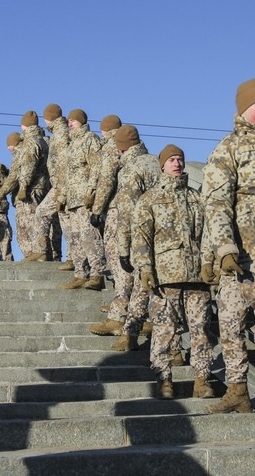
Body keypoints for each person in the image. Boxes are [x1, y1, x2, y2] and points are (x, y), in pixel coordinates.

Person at [202, 79, 255, 414]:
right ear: (243, 110)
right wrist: (223, 248)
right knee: (230, 324)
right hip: (237, 257)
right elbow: (216, 203)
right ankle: (237, 390)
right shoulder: (228, 149)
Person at [131, 144, 215, 400]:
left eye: (180, 159)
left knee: (201, 330)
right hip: (165, 277)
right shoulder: (149, 199)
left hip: (196, 278)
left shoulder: (196, 197)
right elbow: (141, 237)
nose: (177, 164)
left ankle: (202, 379)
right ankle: (164, 380)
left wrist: (209, 261)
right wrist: (145, 267)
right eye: (172, 160)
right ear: (162, 165)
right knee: (164, 331)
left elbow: (208, 234)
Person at [109, 125, 161, 351]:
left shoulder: (130, 170)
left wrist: (122, 250)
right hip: (167, 236)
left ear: (121, 150)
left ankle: (129, 336)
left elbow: (126, 214)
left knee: (141, 286)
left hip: (143, 238)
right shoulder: (158, 161)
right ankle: (173, 346)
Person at [89, 114, 133, 336]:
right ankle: (122, 304)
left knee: (117, 261)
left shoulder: (112, 147)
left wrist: (97, 209)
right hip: (133, 210)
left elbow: (106, 179)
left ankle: (119, 314)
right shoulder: (136, 150)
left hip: (117, 210)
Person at [59, 109, 106, 290]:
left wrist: (91, 192)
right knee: (75, 238)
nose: (70, 123)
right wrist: (63, 196)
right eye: (69, 121)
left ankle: (97, 273)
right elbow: (68, 175)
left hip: (85, 200)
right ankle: (80, 274)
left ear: (82, 121)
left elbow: (96, 168)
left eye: (73, 120)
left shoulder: (90, 140)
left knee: (89, 237)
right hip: (72, 200)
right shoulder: (72, 144)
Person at [0, 111, 49, 261]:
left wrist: (20, 188)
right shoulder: (44, 141)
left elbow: (23, 170)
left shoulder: (29, 143)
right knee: (37, 221)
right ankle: (38, 254)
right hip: (43, 188)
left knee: (27, 225)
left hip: (29, 190)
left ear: (23, 126)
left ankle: (35, 254)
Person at [32, 103, 69, 264]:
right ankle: (72, 258)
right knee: (66, 220)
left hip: (62, 185)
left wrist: (61, 189)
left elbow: (63, 163)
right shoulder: (60, 132)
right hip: (63, 184)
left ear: (48, 118)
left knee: (41, 212)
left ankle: (41, 251)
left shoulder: (60, 134)